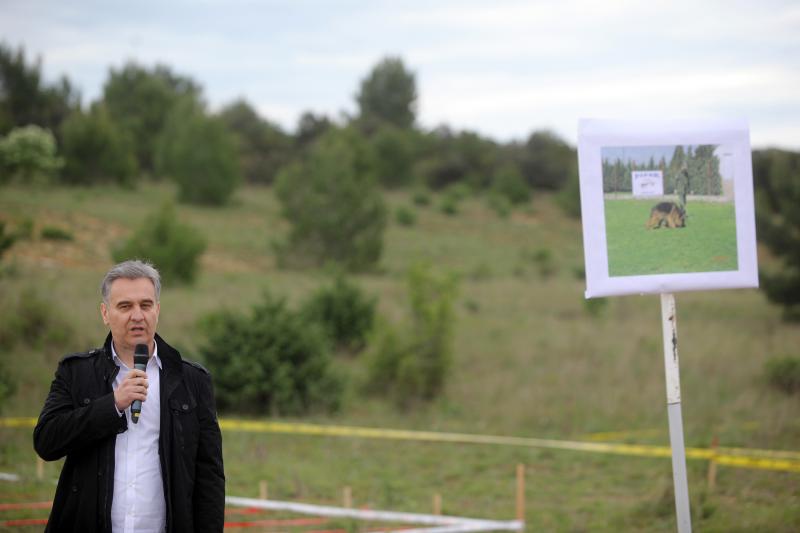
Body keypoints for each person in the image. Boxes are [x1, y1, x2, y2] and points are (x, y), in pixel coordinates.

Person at [34, 260, 225, 532]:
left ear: (157, 310)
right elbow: (46, 441)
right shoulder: (76, 373)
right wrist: (112, 405)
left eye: (145, 305)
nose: (137, 315)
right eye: (125, 306)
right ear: (105, 313)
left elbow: (210, 475)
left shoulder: (193, 380)